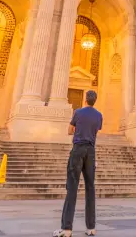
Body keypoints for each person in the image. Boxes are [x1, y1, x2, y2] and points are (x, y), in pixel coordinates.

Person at [54, 90, 103, 237]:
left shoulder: (78, 112)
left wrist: (77, 131)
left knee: (72, 187)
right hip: (91, 151)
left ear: (85, 100)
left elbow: (70, 130)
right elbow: (96, 131)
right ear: (95, 100)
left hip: (78, 149)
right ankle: (91, 227)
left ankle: (67, 229)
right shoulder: (99, 115)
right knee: (90, 188)